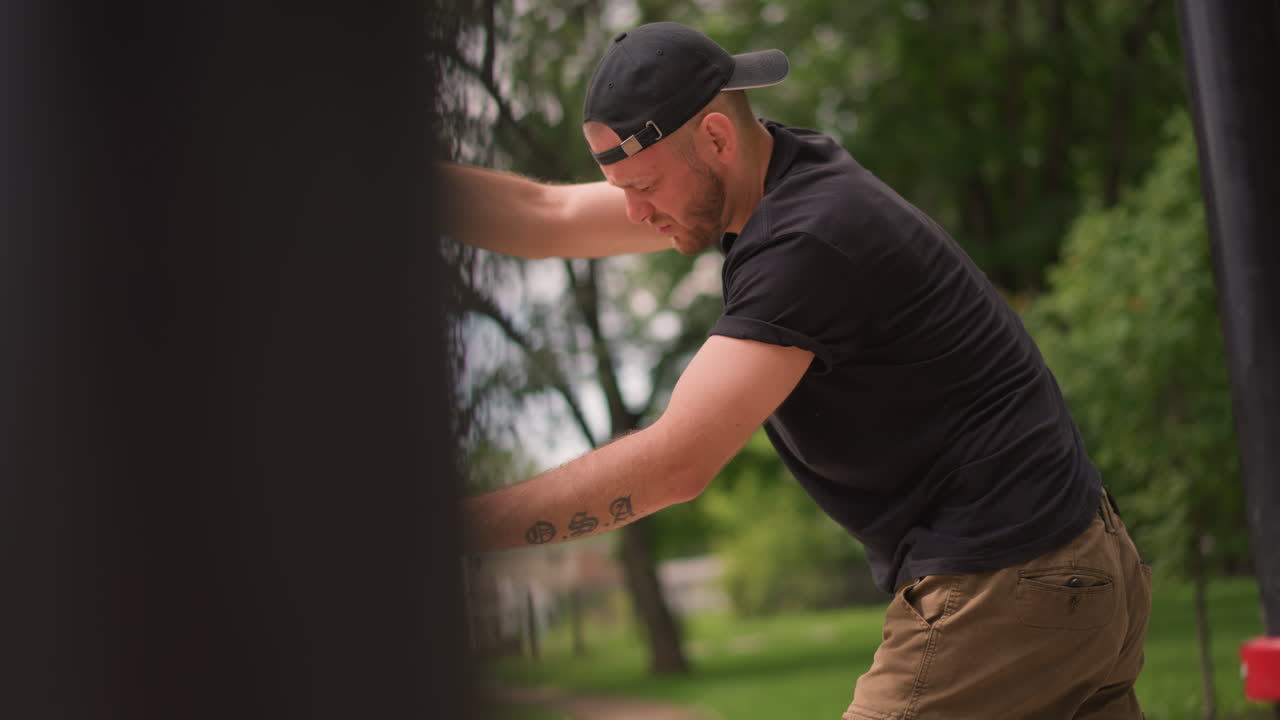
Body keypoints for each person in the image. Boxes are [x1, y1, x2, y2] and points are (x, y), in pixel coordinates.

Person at [446, 21, 1151, 719]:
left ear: (716, 138)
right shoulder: (779, 176)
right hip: (1077, 561)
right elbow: (548, 213)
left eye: (645, 185)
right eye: (621, 187)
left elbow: (675, 463)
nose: (634, 212)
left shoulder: (804, 242)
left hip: (1010, 580)